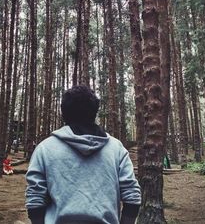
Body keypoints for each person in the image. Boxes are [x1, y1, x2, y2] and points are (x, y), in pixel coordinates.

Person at [25, 85, 141, 224]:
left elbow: (35, 201)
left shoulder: (44, 148)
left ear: (63, 113)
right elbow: (132, 197)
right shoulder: (116, 149)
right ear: (95, 112)